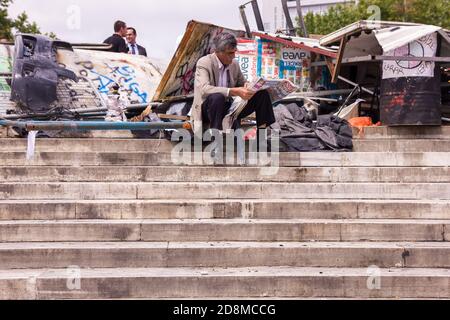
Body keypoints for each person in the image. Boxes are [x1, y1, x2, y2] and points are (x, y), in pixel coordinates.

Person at [192, 33, 275, 135]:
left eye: (234, 52)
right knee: (217, 97)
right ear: (218, 52)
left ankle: (262, 135)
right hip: (208, 109)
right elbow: (204, 89)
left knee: (262, 95)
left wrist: (248, 86)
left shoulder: (234, 64)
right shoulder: (204, 62)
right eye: (230, 53)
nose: (233, 56)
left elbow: (242, 82)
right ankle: (216, 137)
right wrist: (233, 91)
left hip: (229, 108)